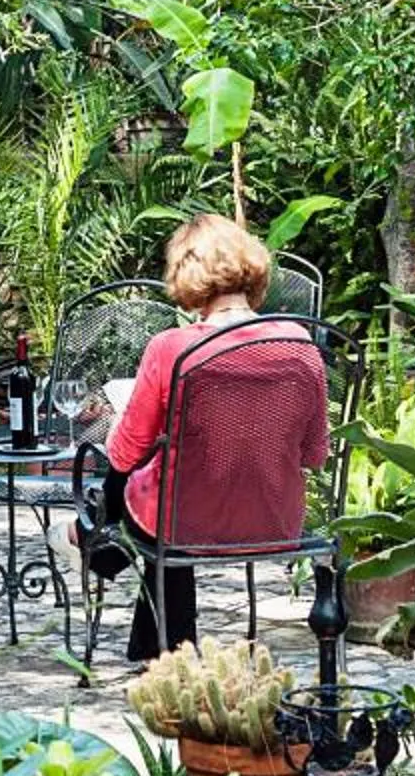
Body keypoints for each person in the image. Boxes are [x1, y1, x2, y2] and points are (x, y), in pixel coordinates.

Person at [77, 214, 330, 663]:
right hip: (275, 520)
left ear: (185, 274)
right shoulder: (300, 343)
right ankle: (148, 638)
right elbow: (314, 454)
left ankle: (94, 541)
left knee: (145, 491)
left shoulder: (172, 347)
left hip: (185, 523)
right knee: (166, 495)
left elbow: (127, 451)